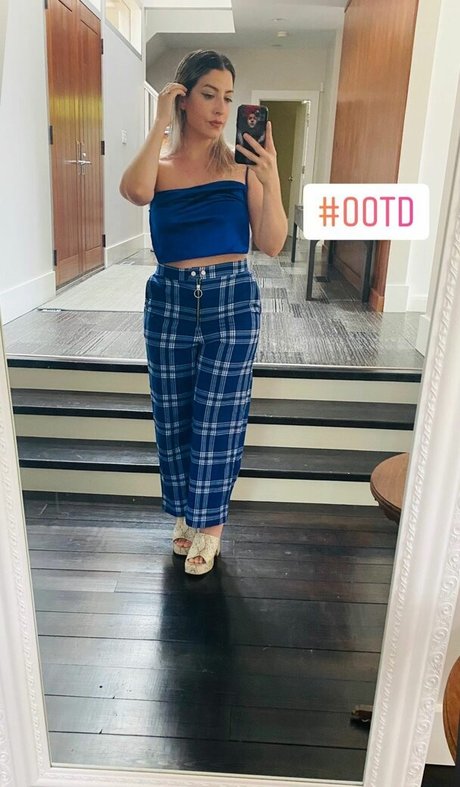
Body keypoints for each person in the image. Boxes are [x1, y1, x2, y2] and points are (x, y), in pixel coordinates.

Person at [119, 50, 287, 576]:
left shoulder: (241, 167)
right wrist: (158, 124)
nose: (220, 109)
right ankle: (187, 511)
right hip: (169, 300)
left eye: (228, 98)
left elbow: (273, 243)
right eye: (209, 95)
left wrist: (271, 176)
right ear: (183, 98)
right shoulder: (161, 168)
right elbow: (135, 190)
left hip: (230, 299)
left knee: (219, 417)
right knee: (173, 416)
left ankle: (209, 526)